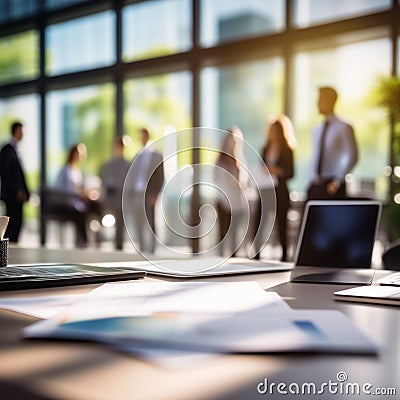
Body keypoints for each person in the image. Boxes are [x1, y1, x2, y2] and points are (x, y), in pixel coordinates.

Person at [252, 115, 295, 261]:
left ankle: (284, 256)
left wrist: (274, 170)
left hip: (280, 192)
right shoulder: (265, 149)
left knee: (281, 224)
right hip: (265, 191)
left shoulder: (287, 150)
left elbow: (290, 173)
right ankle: (255, 253)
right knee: (259, 222)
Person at [307, 86, 358, 201]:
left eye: (320, 99)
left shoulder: (344, 127)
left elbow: (353, 156)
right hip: (315, 184)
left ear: (330, 101)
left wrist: (338, 181)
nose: (317, 103)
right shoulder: (317, 129)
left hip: (332, 186)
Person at [126, 128, 164, 254]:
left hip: (149, 194)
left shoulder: (156, 155)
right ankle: (142, 249)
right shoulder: (137, 155)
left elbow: (160, 177)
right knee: (138, 222)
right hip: (137, 193)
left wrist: (156, 195)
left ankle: (152, 249)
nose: (140, 139)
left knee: (150, 222)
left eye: (142, 136)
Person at [54, 143, 97, 247]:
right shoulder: (66, 170)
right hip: (66, 204)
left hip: (76, 202)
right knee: (81, 212)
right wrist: (79, 194)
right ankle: (85, 241)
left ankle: (94, 237)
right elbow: (62, 188)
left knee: (95, 206)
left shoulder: (77, 171)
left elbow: (79, 188)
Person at [214, 127, 247, 257]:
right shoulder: (220, 160)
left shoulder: (240, 159)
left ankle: (234, 260)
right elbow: (216, 178)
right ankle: (220, 259)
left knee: (234, 235)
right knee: (223, 234)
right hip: (223, 201)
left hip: (238, 202)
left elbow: (245, 180)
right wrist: (230, 182)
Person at [0, 121, 30, 243]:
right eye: (21, 131)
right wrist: (17, 190)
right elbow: (5, 173)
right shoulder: (7, 150)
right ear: (15, 131)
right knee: (11, 225)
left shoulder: (16, 150)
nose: (22, 134)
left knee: (18, 224)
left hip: (18, 196)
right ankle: (7, 254)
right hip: (12, 195)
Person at [101, 136, 131, 250]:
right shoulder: (109, 165)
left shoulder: (127, 164)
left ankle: (119, 246)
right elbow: (105, 181)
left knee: (120, 224)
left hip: (121, 198)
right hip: (110, 198)